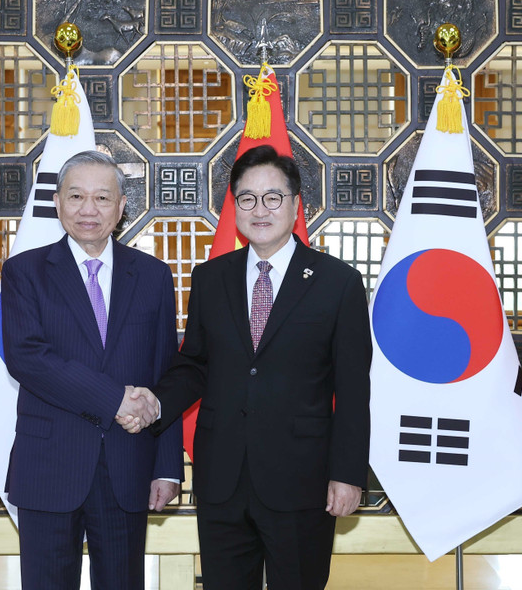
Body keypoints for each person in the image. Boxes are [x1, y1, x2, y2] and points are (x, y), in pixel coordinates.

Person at [118, 145, 372, 589]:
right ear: (234, 206)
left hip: (302, 481)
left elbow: (353, 390)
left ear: (296, 204)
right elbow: (195, 364)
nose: (260, 209)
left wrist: (347, 475)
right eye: (248, 198)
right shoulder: (210, 277)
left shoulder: (338, 282)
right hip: (223, 479)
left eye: (273, 197)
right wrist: (155, 403)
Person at [1, 150, 183, 590]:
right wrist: (114, 399)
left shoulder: (153, 275)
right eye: (76, 196)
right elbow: (27, 357)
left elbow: (166, 371)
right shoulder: (24, 271)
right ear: (57, 203)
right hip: (49, 465)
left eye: (102, 198)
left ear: (121, 208)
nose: (89, 209)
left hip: (128, 463)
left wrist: (166, 467)